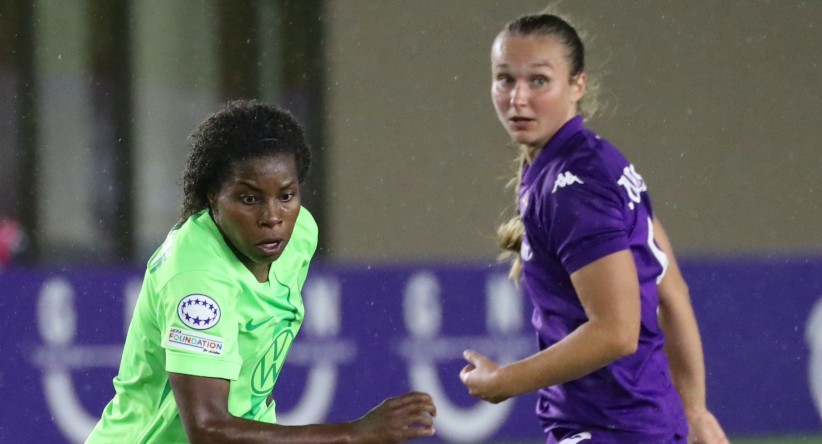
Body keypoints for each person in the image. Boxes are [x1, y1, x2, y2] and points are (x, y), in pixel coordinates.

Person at [86, 100, 436, 443]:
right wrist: (352, 434)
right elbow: (207, 430)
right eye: (249, 199)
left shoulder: (300, 236)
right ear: (213, 196)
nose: (272, 217)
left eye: (286, 196)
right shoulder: (197, 277)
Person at [458, 13, 728, 444]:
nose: (518, 98)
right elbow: (671, 290)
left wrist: (506, 381)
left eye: (539, 81)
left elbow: (617, 332)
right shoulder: (592, 160)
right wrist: (694, 410)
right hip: (640, 423)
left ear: (577, 85)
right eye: (505, 79)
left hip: (609, 430)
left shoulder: (574, 186)